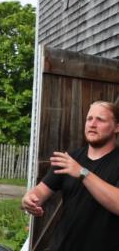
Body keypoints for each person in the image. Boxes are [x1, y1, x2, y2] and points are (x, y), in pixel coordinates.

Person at [21, 100, 119, 250]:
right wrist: (30, 199)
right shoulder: (70, 159)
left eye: (100, 120)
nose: (92, 124)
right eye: (89, 119)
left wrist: (82, 172)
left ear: (116, 127)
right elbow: (40, 191)